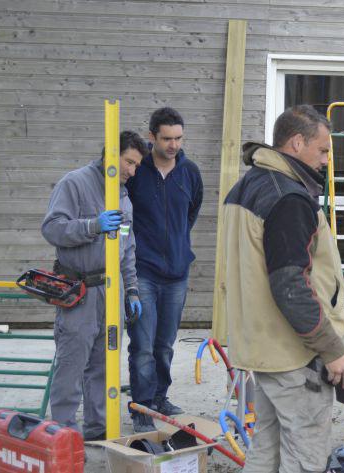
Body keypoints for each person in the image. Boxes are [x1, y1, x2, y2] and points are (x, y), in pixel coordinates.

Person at [222, 105, 344, 472]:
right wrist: (332, 349)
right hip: (294, 355)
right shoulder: (289, 198)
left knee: (266, 449)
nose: (328, 160)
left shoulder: (247, 186)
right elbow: (290, 286)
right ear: (297, 143)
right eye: (324, 150)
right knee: (303, 458)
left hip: (263, 349)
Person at [42, 131, 148, 440]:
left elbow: (127, 248)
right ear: (109, 156)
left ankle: (97, 430)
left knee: (103, 365)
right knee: (72, 364)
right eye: (129, 162)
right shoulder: (74, 184)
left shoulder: (123, 196)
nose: (132, 170)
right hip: (79, 290)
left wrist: (131, 290)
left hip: (110, 290)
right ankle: (63, 435)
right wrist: (91, 226)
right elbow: (52, 229)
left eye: (137, 165)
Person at [125, 107, 203, 431]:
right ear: (152, 137)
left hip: (177, 274)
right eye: (167, 138)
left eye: (179, 138)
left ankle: (159, 397)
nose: (174, 145)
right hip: (143, 271)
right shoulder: (138, 171)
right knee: (142, 344)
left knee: (165, 343)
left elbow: (191, 212)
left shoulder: (190, 173)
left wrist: (177, 248)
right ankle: (141, 408)